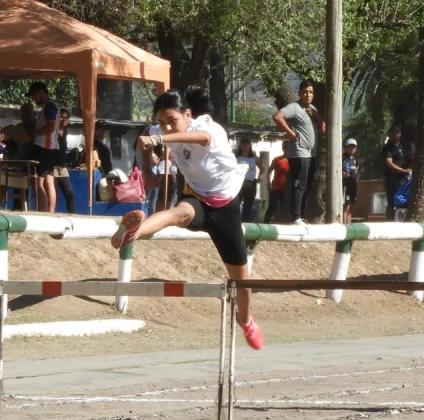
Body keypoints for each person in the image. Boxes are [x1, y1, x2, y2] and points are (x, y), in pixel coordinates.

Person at [110, 89, 262, 350]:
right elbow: (147, 147)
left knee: (242, 280)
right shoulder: (165, 134)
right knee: (178, 213)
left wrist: (160, 138)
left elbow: (201, 139)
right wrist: (148, 166)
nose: (166, 126)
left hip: (225, 208)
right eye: (161, 122)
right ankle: (132, 231)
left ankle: (246, 320)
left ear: (188, 115)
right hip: (198, 199)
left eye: (172, 120)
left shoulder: (208, 128)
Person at [272, 79, 325, 225]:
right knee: (300, 184)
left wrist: (316, 115)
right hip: (299, 153)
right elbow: (277, 117)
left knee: (307, 185)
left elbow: (323, 128)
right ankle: (295, 217)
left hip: (311, 154)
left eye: (311, 92)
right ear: (300, 93)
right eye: (305, 92)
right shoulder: (295, 107)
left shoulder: (313, 109)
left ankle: (301, 216)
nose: (308, 95)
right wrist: (289, 132)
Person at [28, 82, 60, 213]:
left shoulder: (49, 106)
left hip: (44, 147)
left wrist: (33, 132)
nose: (33, 99)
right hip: (50, 148)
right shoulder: (50, 106)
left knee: (37, 181)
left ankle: (42, 212)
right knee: (49, 181)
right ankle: (50, 213)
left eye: (34, 96)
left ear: (40, 92)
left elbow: (50, 127)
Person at [382, 126, 411, 220]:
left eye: (398, 133)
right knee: (392, 201)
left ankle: (399, 220)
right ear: (390, 135)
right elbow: (389, 163)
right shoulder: (388, 147)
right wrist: (402, 170)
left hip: (402, 179)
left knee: (402, 200)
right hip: (392, 178)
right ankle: (389, 221)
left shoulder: (401, 147)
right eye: (394, 133)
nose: (397, 135)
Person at [263, 141, 291, 223]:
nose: (286, 149)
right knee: (272, 206)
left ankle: (282, 223)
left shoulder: (293, 160)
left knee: (285, 207)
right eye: (284, 147)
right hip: (275, 187)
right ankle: (266, 222)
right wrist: (268, 184)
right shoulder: (277, 159)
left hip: (287, 189)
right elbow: (269, 171)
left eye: (287, 147)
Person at [55, 108, 75, 213]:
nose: (64, 120)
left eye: (66, 118)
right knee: (54, 194)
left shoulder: (65, 131)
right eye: (61, 117)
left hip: (62, 166)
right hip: (52, 166)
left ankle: (73, 215)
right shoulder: (53, 130)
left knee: (70, 193)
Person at [236, 137, 259, 222]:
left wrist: (259, 178)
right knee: (236, 204)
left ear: (250, 146)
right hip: (238, 183)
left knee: (248, 205)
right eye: (243, 144)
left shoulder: (254, 157)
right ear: (240, 146)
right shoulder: (236, 157)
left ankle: (246, 222)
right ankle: (236, 222)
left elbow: (263, 168)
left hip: (250, 183)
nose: (245, 146)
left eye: (247, 144)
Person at [342, 138, 359, 224]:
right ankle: (344, 225)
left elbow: (357, 169)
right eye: (350, 147)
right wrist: (343, 174)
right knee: (346, 206)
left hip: (353, 184)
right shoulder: (342, 158)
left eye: (353, 147)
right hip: (346, 185)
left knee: (351, 206)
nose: (352, 149)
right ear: (346, 148)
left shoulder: (355, 159)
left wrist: (356, 173)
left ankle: (349, 226)